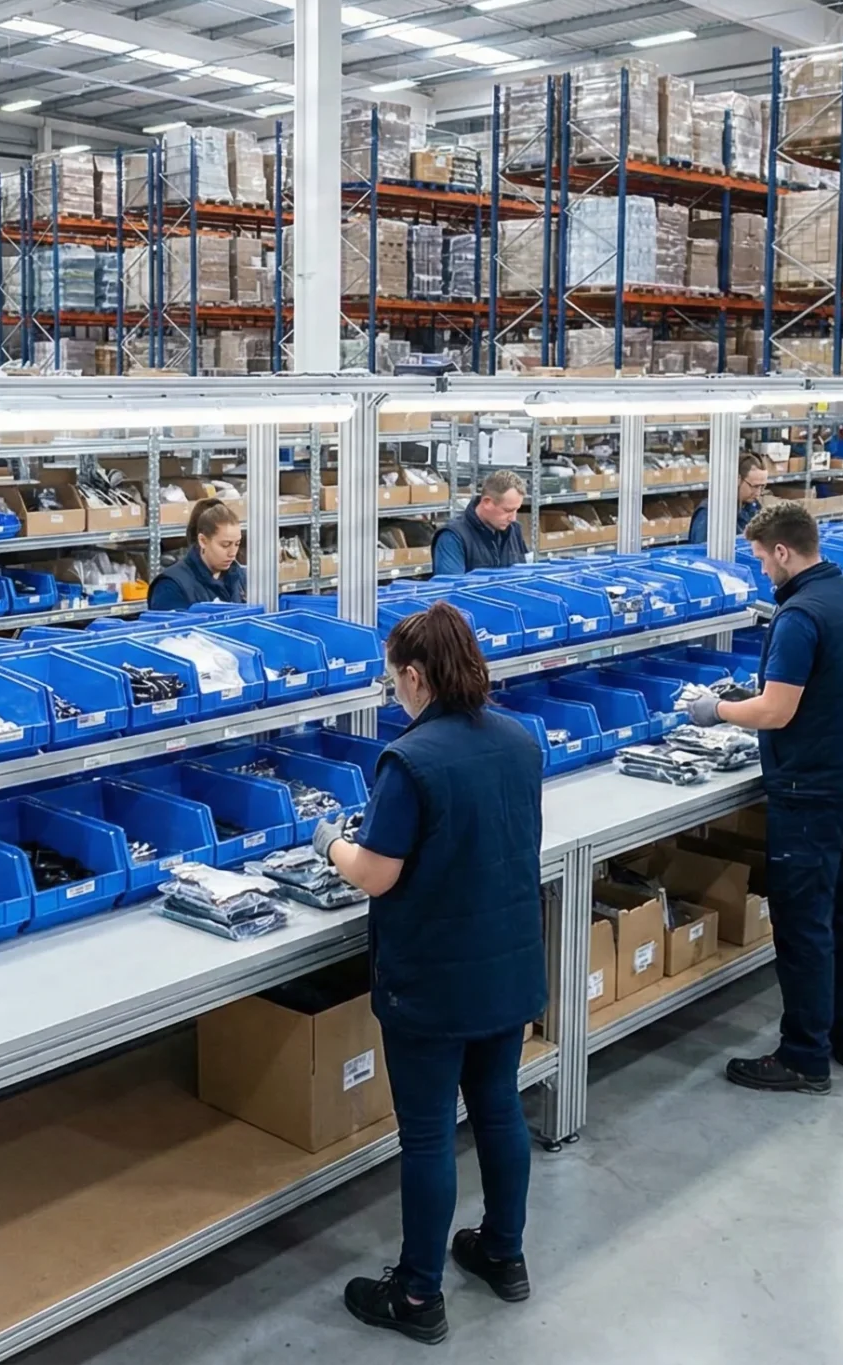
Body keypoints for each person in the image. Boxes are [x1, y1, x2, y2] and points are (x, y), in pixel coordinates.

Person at [317, 602, 546, 1345]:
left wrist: (328, 842)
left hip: (434, 980)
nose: (395, 695)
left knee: (425, 1136)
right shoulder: (517, 740)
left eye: (394, 683)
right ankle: (504, 1254)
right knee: (498, 1108)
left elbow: (377, 874)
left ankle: (418, 1296)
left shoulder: (409, 760)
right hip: (507, 964)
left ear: (417, 675)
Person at [687, 503, 843, 1092]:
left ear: (782, 551)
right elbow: (820, 685)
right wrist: (757, 689)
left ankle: (803, 1056)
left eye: (760, 559)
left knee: (803, 926)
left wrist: (716, 710)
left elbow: (776, 711)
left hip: (813, 790)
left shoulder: (799, 615)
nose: (761, 573)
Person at [147, 498, 245, 609]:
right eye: (225, 545)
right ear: (203, 541)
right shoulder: (171, 586)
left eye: (237, 544)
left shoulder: (239, 578)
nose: (232, 553)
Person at [431, 471, 528, 574]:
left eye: (517, 510)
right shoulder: (453, 537)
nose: (513, 518)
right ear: (487, 502)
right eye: (508, 510)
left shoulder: (514, 530)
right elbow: (450, 586)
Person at [688, 453, 771, 544]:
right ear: (737, 480)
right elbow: (700, 552)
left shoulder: (754, 507)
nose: (758, 493)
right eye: (754, 486)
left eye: (762, 487)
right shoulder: (711, 513)